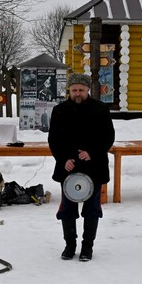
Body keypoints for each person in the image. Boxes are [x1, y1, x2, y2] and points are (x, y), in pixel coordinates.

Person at [48, 72, 115, 262]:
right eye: (74, 90)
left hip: (93, 167)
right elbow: (54, 139)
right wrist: (63, 159)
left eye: (81, 90)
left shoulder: (100, 109)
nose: (77, 93)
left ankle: (87, 247)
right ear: (69, 90)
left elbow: (107, 136)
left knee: (92, 209)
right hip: (68, 167)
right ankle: (70, 245)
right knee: (67, 209)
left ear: (88, 90)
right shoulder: (59, 110)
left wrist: (92, 152)